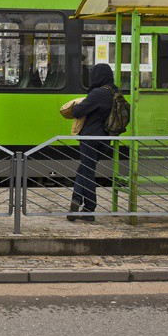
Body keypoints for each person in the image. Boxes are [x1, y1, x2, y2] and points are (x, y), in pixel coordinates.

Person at [67, 63, 118, 222]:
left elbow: (77, 111)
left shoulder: (97, 93)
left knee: (87, 172)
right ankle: (76, 199)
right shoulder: (115, 92)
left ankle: (89, 209)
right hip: (105, 139)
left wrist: (77, 104)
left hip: (90, 138)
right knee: (84, 169)